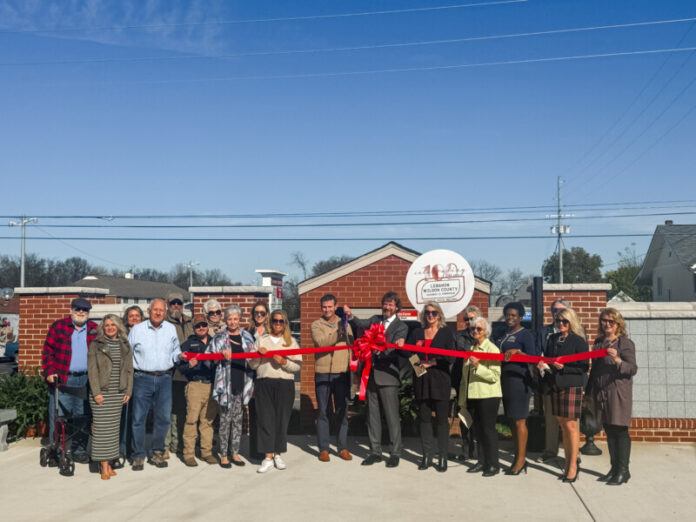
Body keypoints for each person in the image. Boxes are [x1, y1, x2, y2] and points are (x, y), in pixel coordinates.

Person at [344, 291, 408, 468]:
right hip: (370, 375)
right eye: (385, 304)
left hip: (388, 376)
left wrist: (377, 350)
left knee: (391, 416)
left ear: (396, 308)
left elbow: (394, 347)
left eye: (391, 305)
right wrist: (350, 315)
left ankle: (395, 452)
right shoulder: (375, 319)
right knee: (372, 416)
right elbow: (361, 324)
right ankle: (375, 452)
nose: (387, 307)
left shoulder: (401, 326)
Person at [128, 298, 184, 470]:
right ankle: (138, 455)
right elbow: (127, 355)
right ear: (149, 310)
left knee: (163, 418)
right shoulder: (137, 330)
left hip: (165, 378)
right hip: (142, 378)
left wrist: (180, 357)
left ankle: (157, 452)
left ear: (165, 312)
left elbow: (175, 352)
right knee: (138, 418)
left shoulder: (170, 329)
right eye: (155, 310)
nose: (158, 313)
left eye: (162, 310)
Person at [41, 297, 98, 463]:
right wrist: (50, 372)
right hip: (63, 379)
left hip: (86, 380)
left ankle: (79, 450)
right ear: (71, 310)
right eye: (78, 309)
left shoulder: (94, 329)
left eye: (84, 310)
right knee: (59, 417)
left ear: (88, 312)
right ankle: (57, 450)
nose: (81, 312)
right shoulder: (59, 326)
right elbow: (47, 352)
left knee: (82, 417)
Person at [537, 308, 589, 483]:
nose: (561, 324)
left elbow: (583, 367)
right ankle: (568, 463)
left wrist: (564, 368)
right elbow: (552, 363)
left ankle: (573, 466)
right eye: (558, 321)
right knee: (562, 426)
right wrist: (546, 367)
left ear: (571, 321)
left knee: (571, 427)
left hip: (571, 386)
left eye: (564, 321)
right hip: (555, 386)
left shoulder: (578, 341)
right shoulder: (552, 339)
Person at [588, 308, 637, 486]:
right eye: (604, 320)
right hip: (601, 391)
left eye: (611, 321)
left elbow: (632, 369)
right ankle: (614, 468)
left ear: (618, 324)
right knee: (609, 429)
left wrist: (617, 360)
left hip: (618, 391)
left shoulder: (625, 343)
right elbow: (594, 369)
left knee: (620, 429)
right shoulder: (599, 342)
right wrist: (589, 392)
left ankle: (623, 470)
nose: (607, 324)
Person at [248, 310, 301, 473]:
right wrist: (259, 355)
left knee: (281, 419)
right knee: (265, 419)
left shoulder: (291, 342)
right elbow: (252, 364)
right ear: (270, 323)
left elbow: (297, 365)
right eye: (274, 321)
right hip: (264, 383)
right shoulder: (261, 340)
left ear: (285, 324)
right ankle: (268, 456)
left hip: (284, 384)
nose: (277, 324)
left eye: (281, 321)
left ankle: (278, 453)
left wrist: (284, 361)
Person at [407, 301, 455, 472]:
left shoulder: (446, 333)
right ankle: (427, 455)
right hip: (422, 381)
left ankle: (442, 457)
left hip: (440, 381)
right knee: (425, 420)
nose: (430, 315)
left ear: (439, 315)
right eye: (428, 312)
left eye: (434, 313)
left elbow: (451, 357)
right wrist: (420, 368)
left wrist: (432, 363)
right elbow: (409, 354)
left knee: (442, 421)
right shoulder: (417, 332)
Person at [208, 305, 255, 469]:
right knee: (225, 421)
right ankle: (223, 454)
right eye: (229, 319)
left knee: (238, 420)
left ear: (240, 319)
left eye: (235, 318)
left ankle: (235, 452)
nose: (233, 322)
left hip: (242, 382)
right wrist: (220, 354)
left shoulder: (247, 337)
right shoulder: (219, 337)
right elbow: (210, 359)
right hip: (225, 384)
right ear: (225, 320)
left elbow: (254, 360)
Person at [87, 315, 133, 480]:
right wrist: (96, 392)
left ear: (118, 326)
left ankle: (109, 462)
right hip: (102, 392)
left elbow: (129, 369)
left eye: (113, 324)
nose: (110, 327)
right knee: (101, 429)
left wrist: (128, 390)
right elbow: (92, 370)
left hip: (118, 392)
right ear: (102, 328)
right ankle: (103, 465)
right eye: (106, 325)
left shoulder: (125, 345)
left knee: (113, 430)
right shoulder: (96, 345)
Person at [311, 294, 354, 462]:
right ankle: (324, 448)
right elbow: (321, 342)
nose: (327, 310)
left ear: (335, 306)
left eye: (330, 307)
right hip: (323, 372)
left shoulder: (345, 323)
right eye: (324, 307)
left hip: (341, 372)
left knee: (342, 412)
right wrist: (338, 332)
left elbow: (351, 344)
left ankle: (342, 447)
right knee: (323, 412)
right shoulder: (316, 324)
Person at [497, 301, 538, 475]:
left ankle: (521, 460)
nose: (510, 318)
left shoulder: (525, 335)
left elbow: (534, 358)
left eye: (514, 315)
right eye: (507, 314)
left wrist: (518, 353)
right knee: (512, 420)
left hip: (520, 382)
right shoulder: (502, 334)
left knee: (520, 420)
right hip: (505, 380)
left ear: (520, 317)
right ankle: (517, 455)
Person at [459, 317, 501, 477]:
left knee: (488, 430)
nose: (475, 331)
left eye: (479, 329)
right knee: (477, 430)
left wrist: (478, 366)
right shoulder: (471, 348)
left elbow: (495, 376)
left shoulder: (492, 349)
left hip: (488, 395)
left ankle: (493, 464)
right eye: (472, 329)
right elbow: (465, 377)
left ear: (486, 332)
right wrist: (463, 398)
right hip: (473, 395)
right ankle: (482, 461)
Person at [178, 314, 219, 467]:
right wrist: (189, 365)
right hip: (195, 385)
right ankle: (188, 454)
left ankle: (206, 452)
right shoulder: (188, 344)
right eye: (198, 326)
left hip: (212, 385)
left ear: (207, 326)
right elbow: (180, 367)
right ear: (194, 328)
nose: (201, 328)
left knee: (207, 422)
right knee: (191, 421)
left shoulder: (216, 342)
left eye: (203, 325)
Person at [535, 298, 571, 464]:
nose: (557, 313)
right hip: (549, 380)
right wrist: (543, 367)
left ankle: (573, 455)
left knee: (569, 421)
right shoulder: (544, 332)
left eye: (561, 310)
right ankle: (550, 451)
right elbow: (539, 353)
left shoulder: (577, 331)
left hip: (568, 381)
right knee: (550, 419)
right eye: (554, 310)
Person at [164, 292, 193, 459]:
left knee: (182, 410)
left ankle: (179, 444)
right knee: (167, 410)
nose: (176, 306)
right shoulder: (164, 323)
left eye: (179, 303)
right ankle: (166, 445)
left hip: (188, 372)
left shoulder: (190, 321)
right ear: (168, 304)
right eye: (173, 303)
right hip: (171, 371)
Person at [453, 305, 483, 462]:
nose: (469, 321)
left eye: (472, 318)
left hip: (479, 382)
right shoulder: (458, 336)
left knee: (478, 418)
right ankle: (466, 450)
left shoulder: (485, 336)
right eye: (467, 319)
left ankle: (479, 451)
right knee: (465, 417)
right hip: (462, 382)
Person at [118, 304, 143, 465]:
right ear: (126, 318)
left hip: (140, 378)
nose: (134, 318)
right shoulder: (121, 335)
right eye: (131, 315)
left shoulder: (145, 334)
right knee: (123, 416)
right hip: (124, 378)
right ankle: (121, 449)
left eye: (137, 316)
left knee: (137, 416)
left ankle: (135, 451)